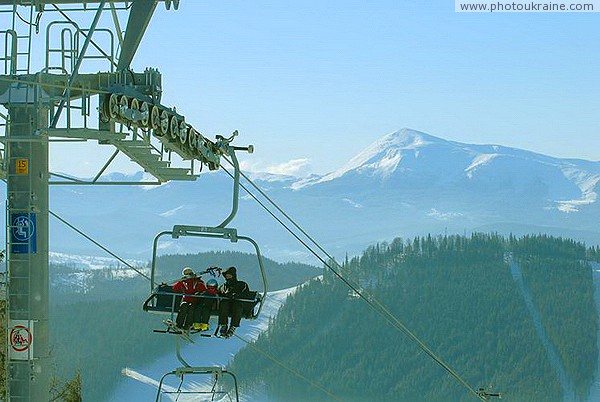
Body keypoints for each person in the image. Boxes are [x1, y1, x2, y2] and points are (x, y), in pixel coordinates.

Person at [217, 266, 250, 338]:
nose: (228, 277)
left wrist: (236, 295)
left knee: (237, 305)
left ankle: (233, 326)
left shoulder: (241, 285)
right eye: (226, 275)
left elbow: (246, 294)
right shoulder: (223, 286)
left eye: (229, 275)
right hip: (227, 306)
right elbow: (218, 294)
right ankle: (223, 325)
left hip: (238, 305)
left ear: (233, 275)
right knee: (223, 303)